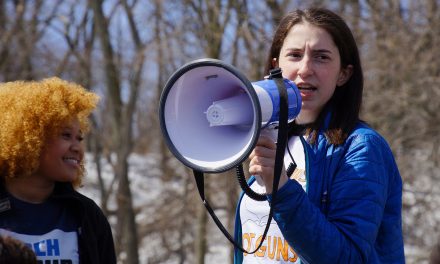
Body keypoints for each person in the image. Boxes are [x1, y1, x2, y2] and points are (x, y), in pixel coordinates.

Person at [234, 7, 405, 263]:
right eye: (294, 55)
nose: (305, 69)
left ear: (344, 74)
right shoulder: (271, 137)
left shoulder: (361, 148)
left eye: (321, 57)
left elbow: (349, 257)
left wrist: (281, 188)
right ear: (275, 66)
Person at [0, 78, 116, 263]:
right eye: (66, 135)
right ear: (29, 139)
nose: (77, 147)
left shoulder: (88, 215)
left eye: (79, 138)